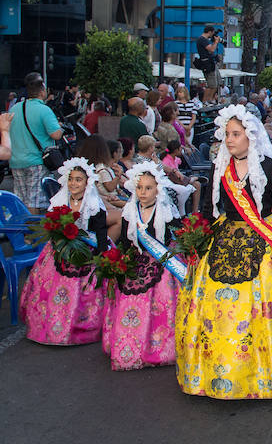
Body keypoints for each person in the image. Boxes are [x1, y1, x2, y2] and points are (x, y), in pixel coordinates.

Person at [175, 104, 272, 399]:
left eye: (235, 134)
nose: (230, 139)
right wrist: (196, 241)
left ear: (250, 135)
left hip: (265, 235)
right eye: (226, 134)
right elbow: (209, 210)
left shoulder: (269, 166)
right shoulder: (219, 167)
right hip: (226, 236)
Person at [101, 163, 181, 371]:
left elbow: (176, 235)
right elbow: (126, 242)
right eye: (139, 188)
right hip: (137, 262)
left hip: (162, 264)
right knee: (131, 304)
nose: (143, 192)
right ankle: (130, 347)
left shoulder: (164, 210)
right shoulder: (130, 211)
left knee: (162, 304)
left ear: (158, 189)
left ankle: (161, 348)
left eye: (148, 188)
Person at [19, 158, 108, 345]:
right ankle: (46, 326)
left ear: (87, 183)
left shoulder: (94, 206)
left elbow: (100, 235)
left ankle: (80, 328)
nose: (74, 183)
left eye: (78, 180)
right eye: (71, 179)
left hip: (85, 253)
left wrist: (99, 257)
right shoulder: (59, 202)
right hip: (59, 251)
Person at [10, 73, 63, 214]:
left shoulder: (14, 108)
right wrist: (60, 126)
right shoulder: (44, 110)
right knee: (33, 201)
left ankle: (22, 232)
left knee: (21, 199)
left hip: (16, 161)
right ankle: (31, 234)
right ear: (42, 91)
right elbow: (56, 134)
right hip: (36, 161)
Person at [79, 135, 126, 242]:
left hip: (93, 205)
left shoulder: (88, 168)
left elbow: (93, 195)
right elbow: (88, 197)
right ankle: (105, 250)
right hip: (86, 212)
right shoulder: (94, 170)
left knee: (122, 212)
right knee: (122, 216)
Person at [196, 25, 222, 104]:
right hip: (207, 64)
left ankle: (210, 99)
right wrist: (216, 42)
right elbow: (211, 49)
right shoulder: (202, 40)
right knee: (211, 84)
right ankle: (205, 101)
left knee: (217, 82)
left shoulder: (204, 40)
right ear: (210, 32)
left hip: (211, 63)